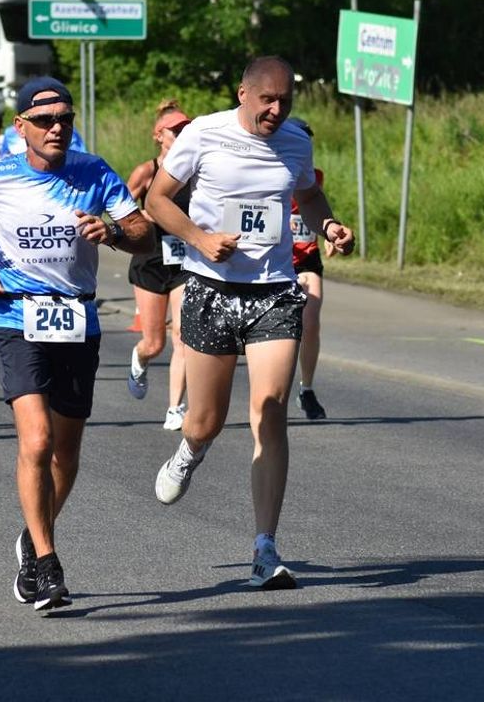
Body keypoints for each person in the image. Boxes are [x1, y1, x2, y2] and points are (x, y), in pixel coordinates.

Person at [145, 56, 354, 589]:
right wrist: (200, 239)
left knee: (269, 411)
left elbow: (306, 193)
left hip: (272, 293)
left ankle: (265, 547)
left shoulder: (296, 142)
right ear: (244, 94)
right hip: (212, 290)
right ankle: (190, 450)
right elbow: (157, 200)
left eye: (285, 101)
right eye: (268, 100)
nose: (277, 110)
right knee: (206, 420)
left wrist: (326, 223)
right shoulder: (202, 135)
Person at [0, 76, 152, 611]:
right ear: (21, 127)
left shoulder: (94, 172)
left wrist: (111, 233)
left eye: (65, 118)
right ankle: (46, 564)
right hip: (16, 316)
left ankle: (31, 534)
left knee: (66, 453)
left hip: (77, 321)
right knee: (37, 441)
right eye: (45, 120)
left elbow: (145, 234)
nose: (57, 128)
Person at [125, 100, 192, 430]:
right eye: (175, 130)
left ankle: (175, 407)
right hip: (150, 259)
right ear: (158, 135)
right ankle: (140, 358)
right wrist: (148, 216)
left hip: (183, 261)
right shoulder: (147, 171)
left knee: (182, 336)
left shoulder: (195, 171)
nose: (181, 134)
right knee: (155, 343)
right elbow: (120, 210)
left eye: (185, 129)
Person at [285, 117, 337, 420]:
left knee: (311, 320)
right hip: (277, 260)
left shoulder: (314, 176)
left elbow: (315, 209)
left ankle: (306, 389)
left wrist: (329, 231)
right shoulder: (271, 171)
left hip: (306, 258)